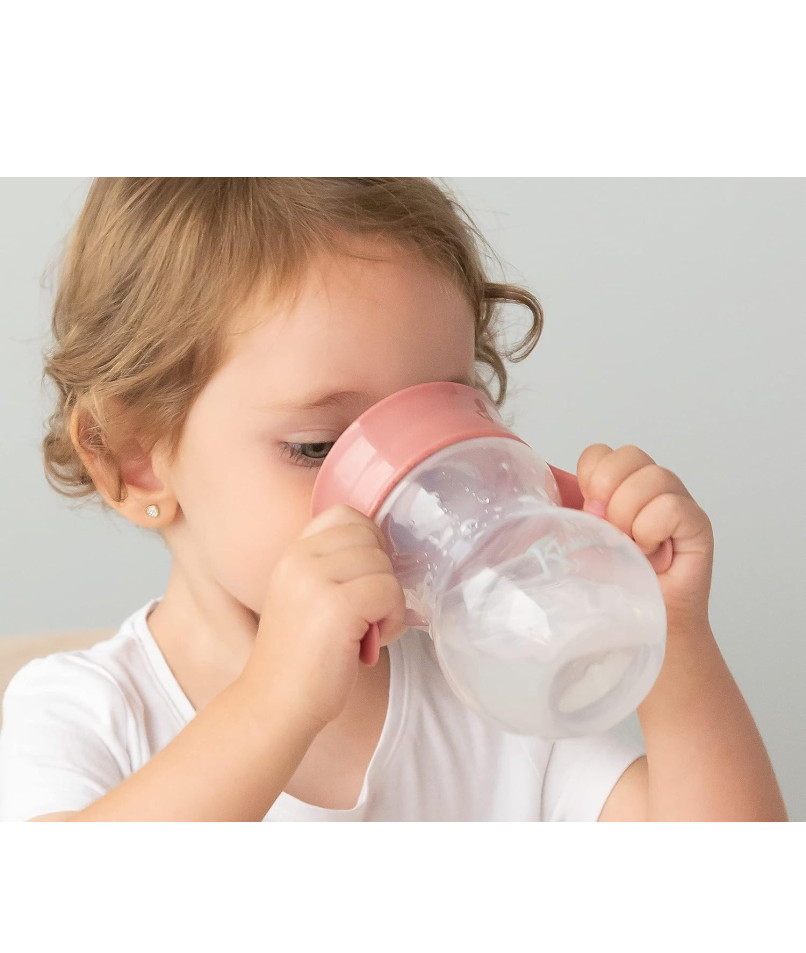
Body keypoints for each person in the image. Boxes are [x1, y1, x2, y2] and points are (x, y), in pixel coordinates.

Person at [0, 178, 787, 821]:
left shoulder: (492, 678)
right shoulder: (86, 711)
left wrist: (674, 639)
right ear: (136, 461)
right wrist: (277, 703)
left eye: (444, 418)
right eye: (317, 448)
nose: (415, 490)